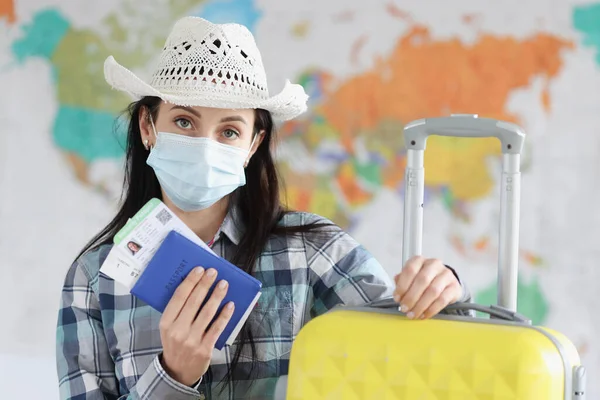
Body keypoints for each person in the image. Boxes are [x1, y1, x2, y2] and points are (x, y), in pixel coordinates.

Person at [56, 17, 471, 400]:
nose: (205, 147)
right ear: (148, 126)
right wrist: (173, 377)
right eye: (184, 121)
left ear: (253, 145)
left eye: (230, 130)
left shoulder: (313, 251)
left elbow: (418, 349)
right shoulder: (93, 281)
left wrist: (445, 289)